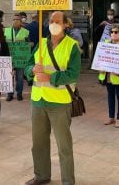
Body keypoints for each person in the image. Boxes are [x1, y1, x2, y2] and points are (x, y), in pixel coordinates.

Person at [24, 11, 81, 185]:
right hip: (38, 100)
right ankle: (41, 176)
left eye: (57, 21)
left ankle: (68, 181)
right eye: (51, 21)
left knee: (64, 146)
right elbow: (27, 65)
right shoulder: (41, 43)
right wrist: (31, 70)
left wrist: (50, 78)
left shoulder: (72, 46)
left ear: (65, 24)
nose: (53, 24)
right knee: (38, 143)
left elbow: (73, 74)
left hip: (60, 102)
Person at [99, 24, 119, 128]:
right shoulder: (106, 43)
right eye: (112, 32)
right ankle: (111, 117)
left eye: (116, 32)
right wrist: (100, 67)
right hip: (108, 75)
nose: (113, 34)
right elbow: (101, 58)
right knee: (110, 96)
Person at [4, 13, 30, 101]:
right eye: (14, 19)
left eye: (18, 19)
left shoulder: (25, 32)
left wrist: (30, 44)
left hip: (20, 59)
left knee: (19, 77)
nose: (16, 21)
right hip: (9, 58)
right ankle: (9, 94)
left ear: (20, 21)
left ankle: (19, 93)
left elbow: (29, 43)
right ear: (12, 20)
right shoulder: (6, 31)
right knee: (9, 77)